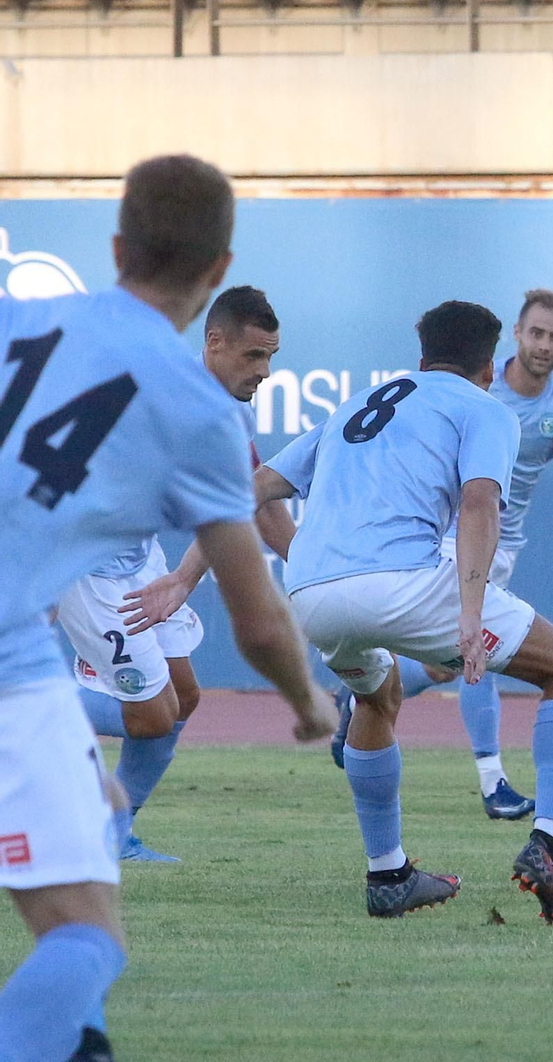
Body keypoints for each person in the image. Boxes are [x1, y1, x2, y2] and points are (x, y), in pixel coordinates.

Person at [0, 155, 334, 1062]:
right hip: (9, 661)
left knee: (100, 799)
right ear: (220, 267)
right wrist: (310, 704)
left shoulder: (20, 321)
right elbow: (260, 618)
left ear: (116, 246)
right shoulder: (195, 405)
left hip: (23, 654)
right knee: (85, 938)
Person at [255, 300, 553, 923]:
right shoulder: (483, 407)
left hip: (309, 592)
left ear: (421, 358)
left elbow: (250, 492)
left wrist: (180, 577)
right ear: (490, 367)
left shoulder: (357, 404)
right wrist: (471, 613)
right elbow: (477, 504)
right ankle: (552, 847)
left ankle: (388, 875)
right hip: (403, 582)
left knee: (378, 699)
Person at [336, 289, 553, 823]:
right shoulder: (479, 384)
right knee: (483, 648)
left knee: (444, 664)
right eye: (537, 333)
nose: (545, 346)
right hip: (454, 530)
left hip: (505, 537)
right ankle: (493, 780)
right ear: (517, 336)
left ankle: (367, 692)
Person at [66, 285, 292, 863]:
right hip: (87, 565)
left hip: (139, 559)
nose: (264, 371)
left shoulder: (223, 411)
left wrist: (317, 566)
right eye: (253, 356)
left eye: (271, 357)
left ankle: (114, 835)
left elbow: (258, 502)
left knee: (183, 697)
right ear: (214, 342)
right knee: (152, 715)